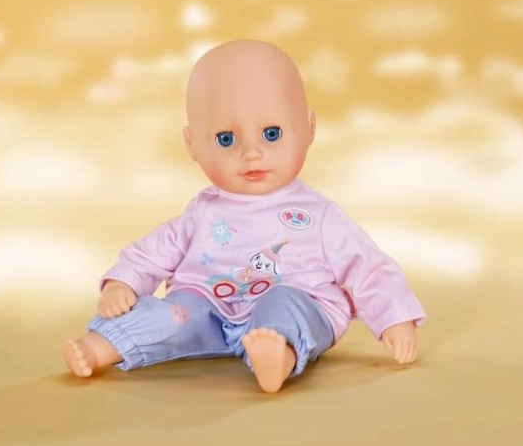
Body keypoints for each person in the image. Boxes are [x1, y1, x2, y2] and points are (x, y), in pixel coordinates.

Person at [63, 39, 427, 393]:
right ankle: (100, 348)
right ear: (192, 144)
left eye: (271, 133)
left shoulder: (319, 216)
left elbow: (367, 266)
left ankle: (278, 356)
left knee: (285, 306)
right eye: (226, 139)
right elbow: (153, 252)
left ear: (309, 129)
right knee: (168, 315)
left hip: (296, 300)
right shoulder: (202, 213)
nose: (251, 153)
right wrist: (122, 283)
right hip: (207, 309)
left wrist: (393, 318)